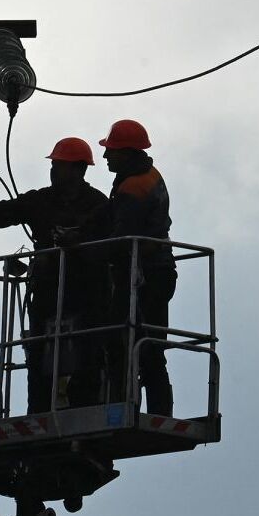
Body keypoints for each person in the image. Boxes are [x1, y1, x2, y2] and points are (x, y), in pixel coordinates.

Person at [0, 137, 108, 413]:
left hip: (85, 289)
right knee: (39, 351)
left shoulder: (98, 205)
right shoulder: (41, 200)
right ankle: (38, 411)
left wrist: (77, 242)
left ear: (79, 169)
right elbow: (3, 212)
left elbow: (110, 243)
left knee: (87, 349)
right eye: (53, 165)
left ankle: (85, 406)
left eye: (59, 165)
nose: (53, 171)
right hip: (47, 288)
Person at [99, 119, 176, 416]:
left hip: (143, 276)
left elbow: (122, 235)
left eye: (112, 151)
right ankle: (159, 411)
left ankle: (121, 405)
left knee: (120, 340)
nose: (106, 156)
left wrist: (88, 251)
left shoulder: (133, 187)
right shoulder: (148, 176)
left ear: (128, 153)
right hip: (157, 271)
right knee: (150, 345)